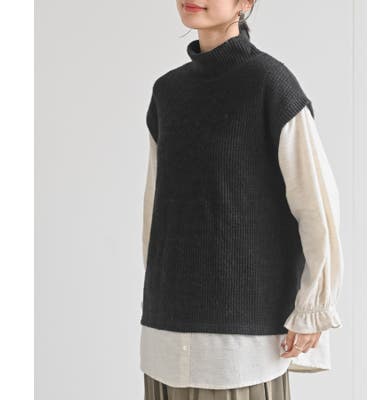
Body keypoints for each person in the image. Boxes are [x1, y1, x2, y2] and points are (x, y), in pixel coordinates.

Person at [140, 1, 344, 399]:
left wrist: (313, 305)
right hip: (164, 337)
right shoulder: (167, 93)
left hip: (240, 346)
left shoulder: (270, 83)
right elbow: (156, 210)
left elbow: (316, 202)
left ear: (245, 2)